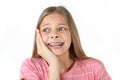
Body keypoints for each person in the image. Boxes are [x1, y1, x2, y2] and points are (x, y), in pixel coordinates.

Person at [20, 6, 111, 80]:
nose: (54, 35)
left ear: (72, 36)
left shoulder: (94, 69)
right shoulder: (30, 67)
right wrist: (53, 63)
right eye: (46, 30)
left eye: (61, 28)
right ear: (38, 36)